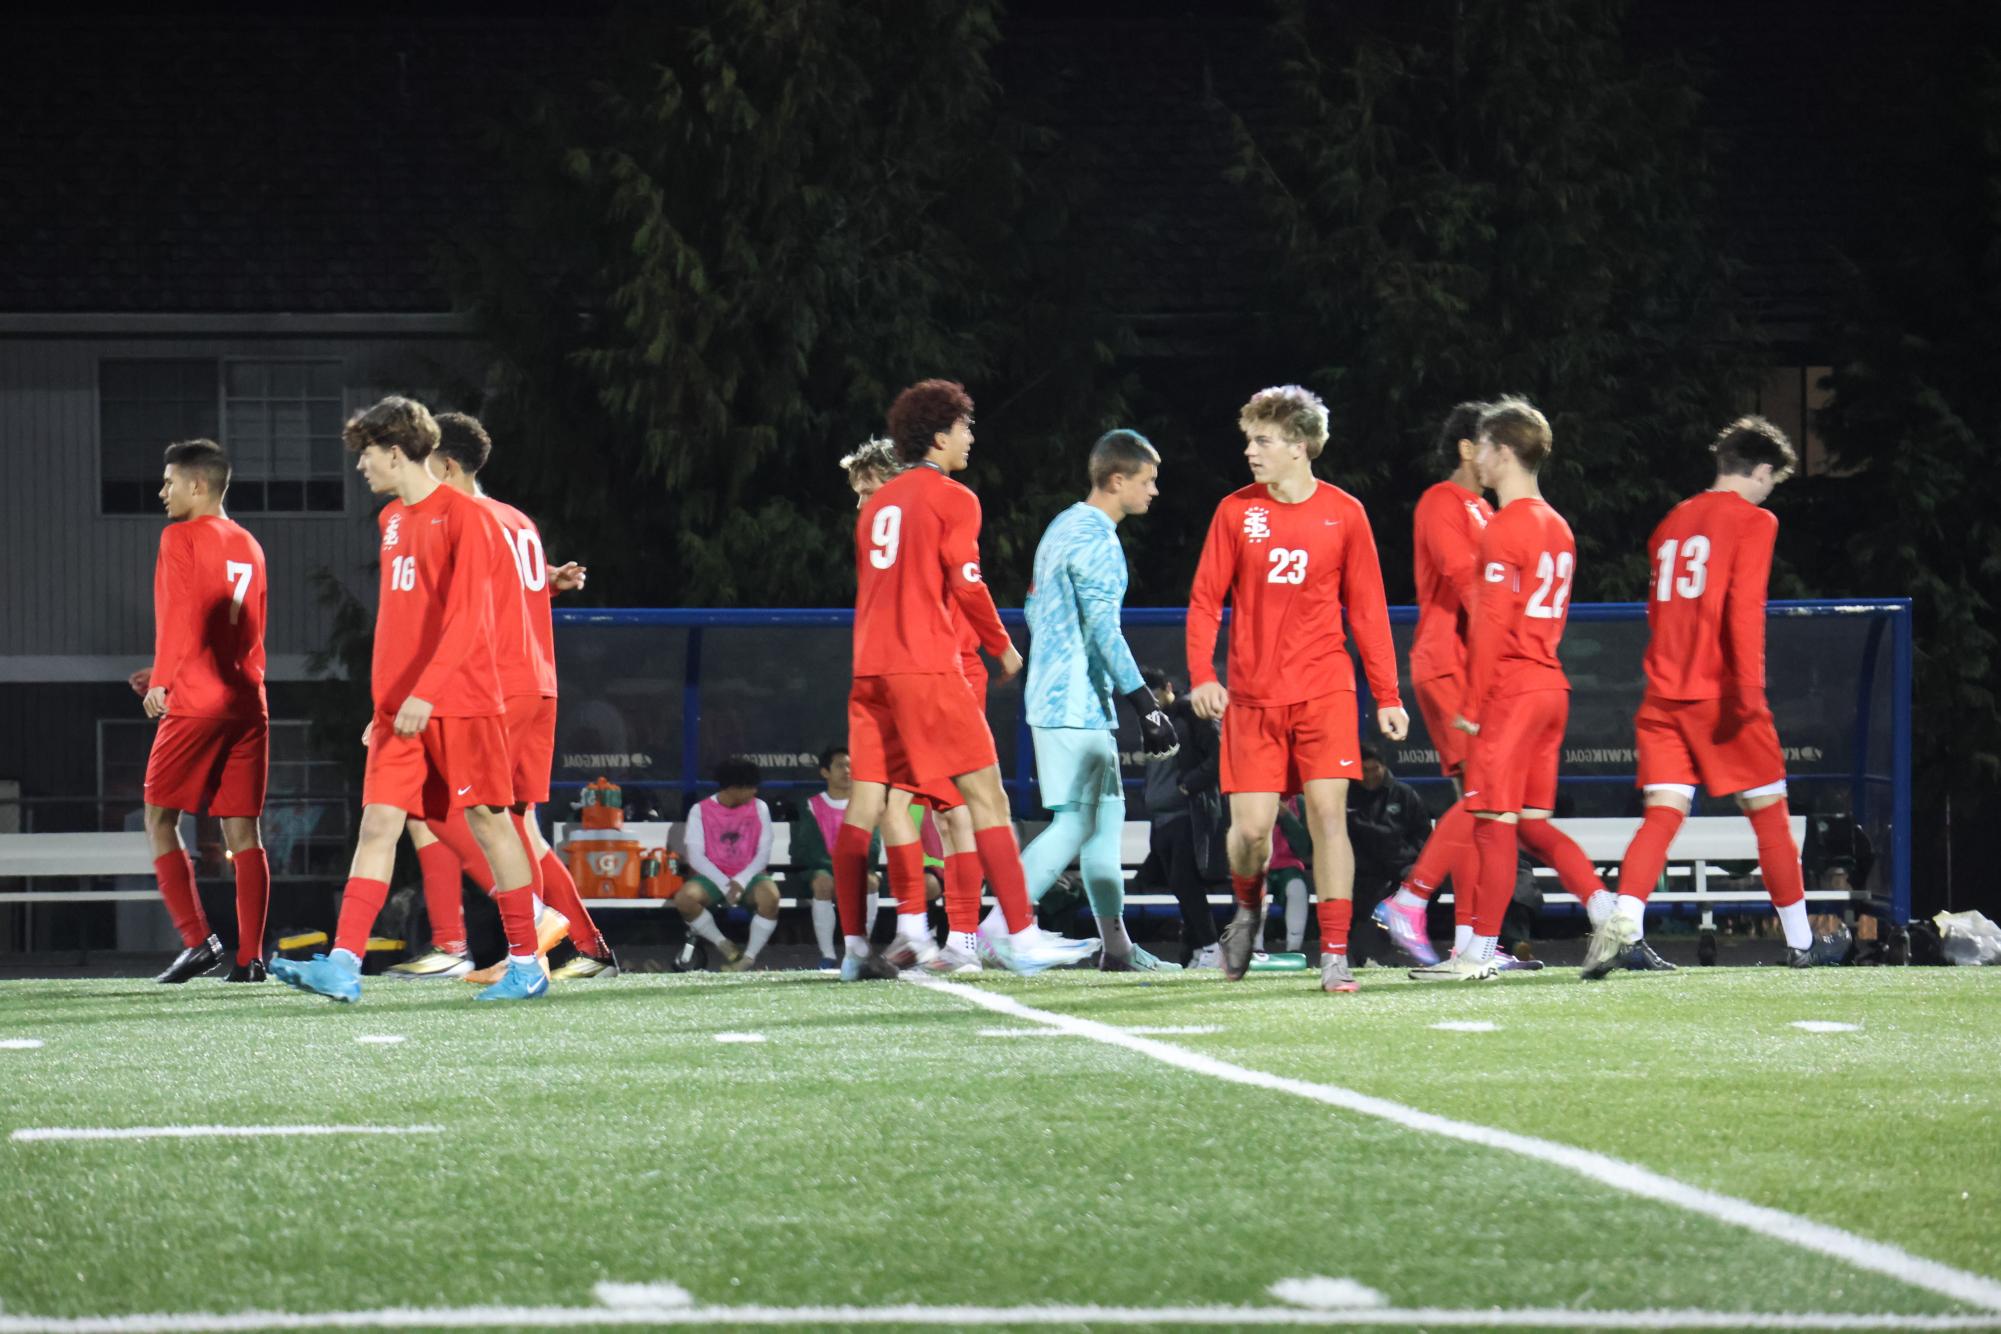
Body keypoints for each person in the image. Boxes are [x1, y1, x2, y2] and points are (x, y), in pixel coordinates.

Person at [272, 397, 546, 1003]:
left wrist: (426, 692)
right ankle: (343, 964)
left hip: (464, 702)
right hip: (401, 712)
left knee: (490, 823)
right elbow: (403, 624)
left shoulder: (471, 519)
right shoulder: (391, 519)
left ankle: (527, 963)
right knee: (378, 825)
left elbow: (472, 620)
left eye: (366, 455)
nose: (361, 468)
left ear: (395, 453)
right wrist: (384, 707)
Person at [832, 379, 1090, 979]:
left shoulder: (875, 507)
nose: (971, 438)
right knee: (986, 799)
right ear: (942, 432)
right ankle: (1020, 937)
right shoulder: (954, 497)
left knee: (873, 806)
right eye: (966, 427)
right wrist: (1001, 648)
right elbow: (966, 582)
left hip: (870, 671)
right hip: (925, 666)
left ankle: (861, 948)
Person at [1186, 385, 1409, 994]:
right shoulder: (1236, 511)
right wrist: (1204, 675)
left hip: (1324, 691)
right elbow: (1206, 598)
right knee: (1253, 831)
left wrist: (1388, 695)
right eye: (1249, 440)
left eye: (1262, 440)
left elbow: (1367, 609)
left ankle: (1334, 955)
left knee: (1328, 815)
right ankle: (1247, 910)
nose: (1250, 452)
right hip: (1253, 699)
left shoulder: (1345, 513)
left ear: (1300, 446)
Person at [384, 413, 613, 982]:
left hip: (492, 684)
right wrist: (551, 583)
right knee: (518, 828)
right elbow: (511, 596)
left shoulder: (460, 518)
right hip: (537, 680)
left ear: (448, 464)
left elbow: (467, 611)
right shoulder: (515, 518)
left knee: (432, 809)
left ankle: (522, 936)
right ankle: (587, 948)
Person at [1587, 416, 1809, 977]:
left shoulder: (1672, 522)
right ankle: (1805, 944)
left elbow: (1660, 610)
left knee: (1662, 815)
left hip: (1663, 692)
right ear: (1759, 470)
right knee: (1770, 817)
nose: (1769, 490)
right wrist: (1750, 695)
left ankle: (1626, 922)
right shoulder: (1754, 520)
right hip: (1721, 694)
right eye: (1771, 480)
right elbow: (1743, 612)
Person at [1409, 398, 1615, 981]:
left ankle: (1474, 954)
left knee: (1493, 824)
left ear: (1502, 451)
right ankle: (1606, 908)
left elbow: (1494, 623)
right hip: (1552, 683)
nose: (1481, 458)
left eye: (1487, 446)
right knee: (1526, 824)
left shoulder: (1505, 526)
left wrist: (1474, 705)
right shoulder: (1560, 526)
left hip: (1516, 687)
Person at [1010, 429, 1181, 971]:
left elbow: (1037, 612)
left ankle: (1117, 947)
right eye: (1147, 481)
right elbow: (1105, 631)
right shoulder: (1099, 539)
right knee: (1077, 823)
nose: (1154, 492)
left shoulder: (1063, 525)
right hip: (1073, 702)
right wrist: (1146, 704)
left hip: (1070, 699)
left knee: (1105, 820)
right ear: (1116, 480)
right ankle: (1001, 929)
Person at [840, 437, 984, 973]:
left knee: (953, 812)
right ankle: (913, 932)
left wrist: (998, 647)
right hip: (909, 682)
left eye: (868, 491)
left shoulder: (935, 512)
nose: (863, 506)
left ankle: (963, 940)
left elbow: (964, 587)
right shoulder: (894, 529)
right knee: (894, 808)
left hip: (950, 676)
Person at [132, 439, 271, 984]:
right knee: (245, 833)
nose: (162, 492)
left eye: (169, 482)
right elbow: (245, 630)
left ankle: (197, 941)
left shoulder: (180, 536)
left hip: (197, 700)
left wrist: (164, 680)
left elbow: (180, 614)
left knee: (158, 816)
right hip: (248, 701)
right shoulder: (250, 544)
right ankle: (250, 958)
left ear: (198, 485)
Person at [1375, 403, 1491, 964]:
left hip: (1476, 665)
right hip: (1450, 663)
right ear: (1468, 448)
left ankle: (1469, 946)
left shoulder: (1485, 508)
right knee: (1483, 798)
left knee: (1480, 804)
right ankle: (1410, 898)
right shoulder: (1442, 501)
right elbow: (1464, 577)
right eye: (1493, 443)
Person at [1138, 669, 1224, 966]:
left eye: (1153, 693)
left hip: (1187, 814)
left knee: (1184, 882)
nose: (1148, 701)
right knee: (1179, 885)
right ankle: (1199, 949)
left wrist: (1190, 785)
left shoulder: (1191, 713)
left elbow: (1220, 755)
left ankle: (1213, 948)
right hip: (1161, 818)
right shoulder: (1151, 720)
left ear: (1167, 687)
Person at [676, 756, 781, 972]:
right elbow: (695, 856)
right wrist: (725, 884)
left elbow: (763, 853)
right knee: (685, 899)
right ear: (732, 788)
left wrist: (741, 880)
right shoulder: (700, 810)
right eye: (749, 787)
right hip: (711, 877)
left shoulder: (760, 808)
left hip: (751, 876)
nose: (754, 792)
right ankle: (724, 945)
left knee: (771, 898)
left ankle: (748, 958)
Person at [790, 744, 882, 968]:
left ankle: (862, 947)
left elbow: (873, 845)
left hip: (857, 869)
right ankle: (828, 955)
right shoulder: (810, 805)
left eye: (851, 766)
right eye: (840, 766)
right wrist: (836, 868)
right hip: (821, 870)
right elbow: (806, 848)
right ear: (825, 772)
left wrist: (853, 867)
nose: (847, 771)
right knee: (823, 883)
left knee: (870, 881)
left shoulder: (865, 804)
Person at [1344, 743, 1433, 967]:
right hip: (1363, 870)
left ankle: (1404, 949)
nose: (1369, 776)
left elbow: (1423, 835)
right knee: (1360, 901)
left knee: (1419, 883)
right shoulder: (1347, 796)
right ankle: (1367, 955)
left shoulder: (1404, 794)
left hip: (1401, 866)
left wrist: (1407, 858)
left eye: (1374, 769)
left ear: (1383, 767)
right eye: (1364, 770)